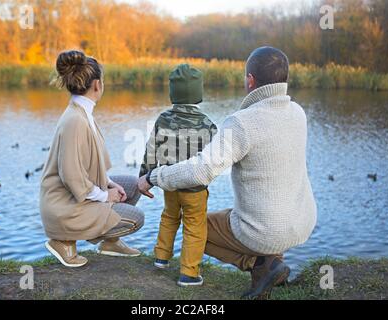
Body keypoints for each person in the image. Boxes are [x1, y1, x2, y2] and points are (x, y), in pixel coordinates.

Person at [139, 47, 317, 299]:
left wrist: (152, 177)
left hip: (265, 230)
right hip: (301, 222)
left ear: (250, 80)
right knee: (257, 206)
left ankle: (258, 265)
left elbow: (201, 171)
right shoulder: (298, 113)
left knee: (196, 227)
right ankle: (272, 262)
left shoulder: (242, 122)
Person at [40, 50, 144, 268]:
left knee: (133, 186)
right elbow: (71, 175)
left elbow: (86, 164)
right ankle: (63, 241)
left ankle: (110, 243)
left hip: (78, 196)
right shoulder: (74, 120)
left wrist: (109, 183)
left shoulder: (83, 113)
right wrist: (106, 196)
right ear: (97, 84)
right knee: (136, 218)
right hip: (65, 207)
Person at [139, 64, 218, 287]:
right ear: (198, 93)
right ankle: (189, 273)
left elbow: (151, 149)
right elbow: (216, 157)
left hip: (169, 185)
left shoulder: (163, 119)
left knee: (169, 217)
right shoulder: (208, 124)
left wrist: (145, 177)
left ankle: (161, 257)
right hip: (195, 188)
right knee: (194, 225)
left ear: (173, 92)